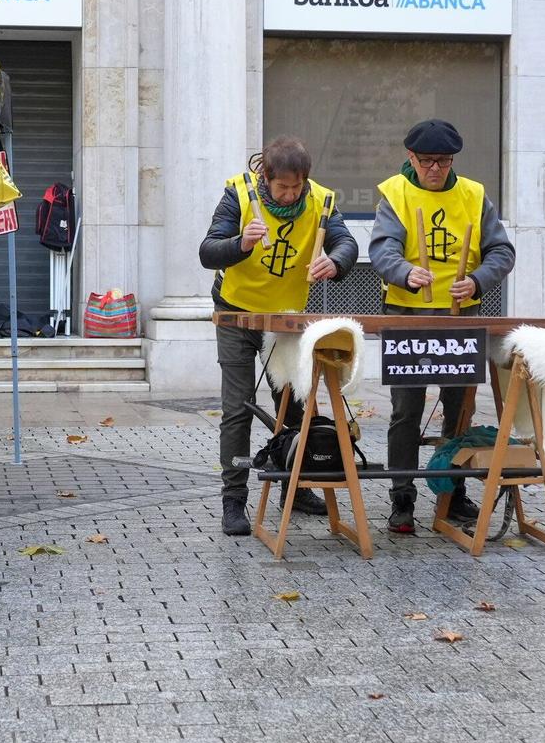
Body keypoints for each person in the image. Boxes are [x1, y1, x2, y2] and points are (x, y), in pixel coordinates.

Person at [198, 136, 358, 537]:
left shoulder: (321, 200)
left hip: (286, 318)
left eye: (296, 187)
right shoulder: (238, 195)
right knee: (238, 408)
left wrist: (335, 261)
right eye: (282, 187)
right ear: (265, 178)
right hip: (236, 312)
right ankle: (234, 498)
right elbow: (208, 251)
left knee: (294, 405)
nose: (290, 195)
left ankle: (295, 485)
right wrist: (241, 243)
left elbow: (346, 242)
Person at [369, 119, 515, 535]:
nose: (435, 168)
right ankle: (401, 496)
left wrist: (479, 280)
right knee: (406, 411)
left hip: (460, 316)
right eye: (427, 161)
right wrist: (405, 272)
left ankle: (453, 491)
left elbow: (501, 250)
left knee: (459, 407)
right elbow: (382, 249)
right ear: (411, 158)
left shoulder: (474, 194)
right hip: (407, 315)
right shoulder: (395, 193)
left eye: (444, 161)